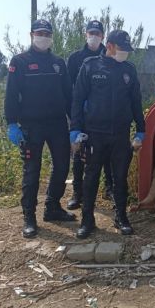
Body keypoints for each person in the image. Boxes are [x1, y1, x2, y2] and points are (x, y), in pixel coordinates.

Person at [4, 19, 77, 238]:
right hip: (31, 125)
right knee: (32, 172)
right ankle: (29, 217)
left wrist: (75, 123)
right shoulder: (20, 61)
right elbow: (11, 95)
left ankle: (52, 208)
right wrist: (12, 123)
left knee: (62, 166)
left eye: (47, 34)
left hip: (57, 124)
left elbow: (68, 96)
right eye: (40, 33)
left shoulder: (58, 63)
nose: (43, 37)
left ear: (51, 37)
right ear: (31, 35)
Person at [70, 29, 145, 239]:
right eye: (122, 48)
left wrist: (141, 130)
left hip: (120, 133)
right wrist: (75, 129)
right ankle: (87, 220)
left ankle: (121, 217)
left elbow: (136, 101)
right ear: (110, 46)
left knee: (120, 177)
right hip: (95, 133)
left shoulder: (129, 70)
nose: (125, 53)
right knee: (91, 176)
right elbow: (77, 99)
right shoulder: (90, 66)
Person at [66, 20, 115, 210]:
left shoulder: (110, 56)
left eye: (98, 33)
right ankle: (77, 193)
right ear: (85, 34)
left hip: (104, 116)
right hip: (82, 116)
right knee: (79, 155)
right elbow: (69, 89)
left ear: (103, 36)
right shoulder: (75, 58)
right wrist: (74, 115)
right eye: (91, 32)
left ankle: (109, 189)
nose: (94, 36)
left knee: (108, 154)